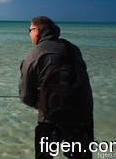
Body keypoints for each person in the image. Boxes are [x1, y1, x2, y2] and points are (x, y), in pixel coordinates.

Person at [19, 16, 94, 159]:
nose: (29, 33)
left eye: (29, 30)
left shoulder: (33, 55)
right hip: (81, 116)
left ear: (36, 31)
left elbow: (25, 96)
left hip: (49, 118)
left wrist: (38, 104)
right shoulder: (73, 50)